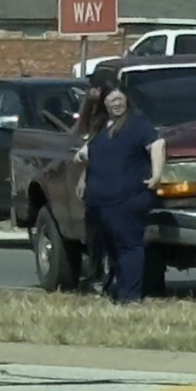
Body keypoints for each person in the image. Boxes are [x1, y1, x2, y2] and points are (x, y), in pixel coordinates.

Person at [79, 82, 165, 304]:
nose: (116, 104)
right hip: (99, 201)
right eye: (111, 100)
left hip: (127, 198)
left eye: (120, 99)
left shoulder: (138, 124)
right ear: (105, 103)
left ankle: (131, 296)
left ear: (127, 100)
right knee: (109, 248)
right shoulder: (100, 126)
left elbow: (157, 145)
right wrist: (82, 179)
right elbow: (92, 156)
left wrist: (157, 176)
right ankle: (116, 290)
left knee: (129, 247)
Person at [74, 73, 116, 294]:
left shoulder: (111, 120)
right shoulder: (95, 117)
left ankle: (104, 277)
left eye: (93, 88)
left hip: (111, 182)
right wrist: (83, 177)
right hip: (95, 180)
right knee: (94, 234)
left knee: (107, 234)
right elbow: (87, 143)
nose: (89, 92)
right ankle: (95, 275)